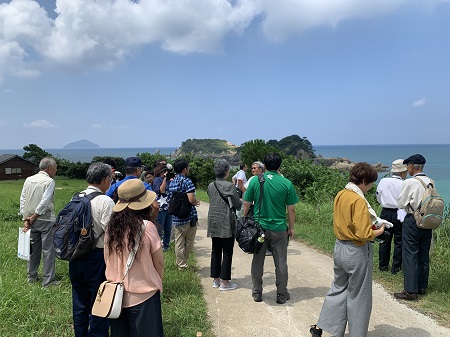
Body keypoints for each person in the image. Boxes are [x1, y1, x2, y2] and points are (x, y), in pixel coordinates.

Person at [310, 163, 386, 337]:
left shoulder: (342, 194)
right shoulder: (358, 200)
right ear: (364, 181)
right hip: (356, 250)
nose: (371, 186)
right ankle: (357, 333)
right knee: (359, 296)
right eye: (371, 183)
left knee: (338, 287)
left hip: (340, 246)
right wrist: (379, 230)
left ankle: (325, 325)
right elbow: (363, 233)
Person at [104, 179, 164, 337]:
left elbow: (106, 259)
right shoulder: (147, 227)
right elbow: (159, 263)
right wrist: (157, 280)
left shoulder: (111, 228)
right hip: (144, 296)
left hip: (115, 297)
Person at [243, 153, 298, 304]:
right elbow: (291, 209)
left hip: (259, 229)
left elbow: (247, 204)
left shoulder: (255, 180)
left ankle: (257, 292)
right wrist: (291, 228)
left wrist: (243, 220)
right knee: (281, 262)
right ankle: (281, 294)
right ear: (280, 166)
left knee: (257, 260)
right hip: (279, 229)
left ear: (264, 166)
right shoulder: (286, 183)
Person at [69, 162, 114, 337]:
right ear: (104, 179)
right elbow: (111, 235)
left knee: (79, 300)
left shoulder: (76, 197)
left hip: (75, 255)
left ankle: (80, 334)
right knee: (100, 301)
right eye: (109, 179)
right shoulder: (105, 201)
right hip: (96, 257)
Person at [394, 154, 433, 300]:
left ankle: (410, 290)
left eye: (407, 166)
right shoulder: (430, 181)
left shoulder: (410, 183)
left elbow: (401, 203)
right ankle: (422, 286)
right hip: (427, 221)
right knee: (423, 253)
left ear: (411, 166)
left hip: (413, 220)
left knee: (410, 253)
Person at [19, 157, 59, 287]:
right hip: (45, 219)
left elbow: (23, 198)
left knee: (32, 249)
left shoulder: (29, 179)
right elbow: (45, 201)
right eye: (55, 167)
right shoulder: (49, 181)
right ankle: (48, 281)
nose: (56, 170)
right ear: (48, 168)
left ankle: (31, 276)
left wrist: (26, 217)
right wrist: (35, 215)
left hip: (30, 219)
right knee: (48, 250)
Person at [207, 160, 242, 291]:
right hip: (226, 221)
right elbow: (237, 205)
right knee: (227, 251)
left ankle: (216, 280)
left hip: (213, 220)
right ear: (226, 171)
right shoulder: (229, 186)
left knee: (215, 250)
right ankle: (225, 282)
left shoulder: (211, 185)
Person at [376, 159, 408, 274]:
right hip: (400, 212)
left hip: (386, 211)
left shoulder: (383, 181)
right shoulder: (405, 183)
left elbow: (378, 196)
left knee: (384, 238)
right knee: (399, 240)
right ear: (402, 172)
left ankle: (383, 266)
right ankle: (396, 268)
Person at [169, 159, 201, 270]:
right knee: (189, 241)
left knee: (179, 242)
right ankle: (183, 264)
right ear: (185, 169)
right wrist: (197, 202)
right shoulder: (187, 181)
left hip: (176, 216)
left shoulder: (172, 181)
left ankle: (181, 264)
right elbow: (191, 199)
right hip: (188, 216)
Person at [153, 165, 173, 251]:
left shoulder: (169, 181)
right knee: (159, 228)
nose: (166, 173)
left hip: (169, 207)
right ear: (160, 172)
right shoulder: (157, 180)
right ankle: (157, 246)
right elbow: (161, 190)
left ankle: (166, 246)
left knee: (168, 228)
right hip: (160, 207)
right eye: (165, 171)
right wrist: (164, 179)